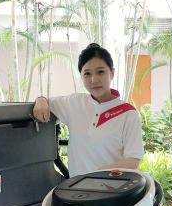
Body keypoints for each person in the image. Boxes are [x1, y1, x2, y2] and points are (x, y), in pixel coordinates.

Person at [32, 43, 144, 177]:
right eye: (87, 74)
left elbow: (133, 160)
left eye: (100, 72)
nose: (94, 79)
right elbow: (46, 101)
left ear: (112, 73)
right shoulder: (74, 103)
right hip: (78, 191)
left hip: (113, 190)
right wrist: (40, 100)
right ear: (81, 76)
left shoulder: (128, 114)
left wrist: (97, 176)